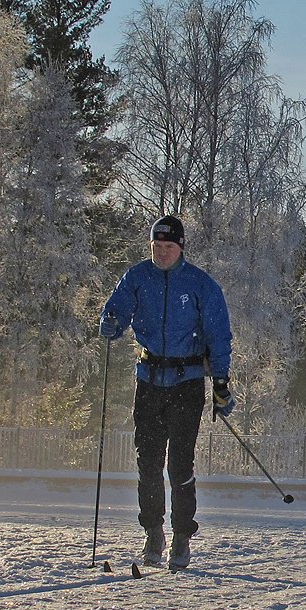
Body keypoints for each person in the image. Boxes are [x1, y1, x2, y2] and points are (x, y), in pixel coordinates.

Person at [100, 215, 234, 570]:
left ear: (181, 248)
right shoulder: (137, 277)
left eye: (168, 247)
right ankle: (153, 531)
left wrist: (220, 381)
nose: (161, 253)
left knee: (179, 463)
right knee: (148, 461)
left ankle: (181, 536)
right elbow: (114, 314)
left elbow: (219, 335)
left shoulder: (201, 285)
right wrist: (111, 323)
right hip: (149, 380)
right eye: (156, 246)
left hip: (187, 381)